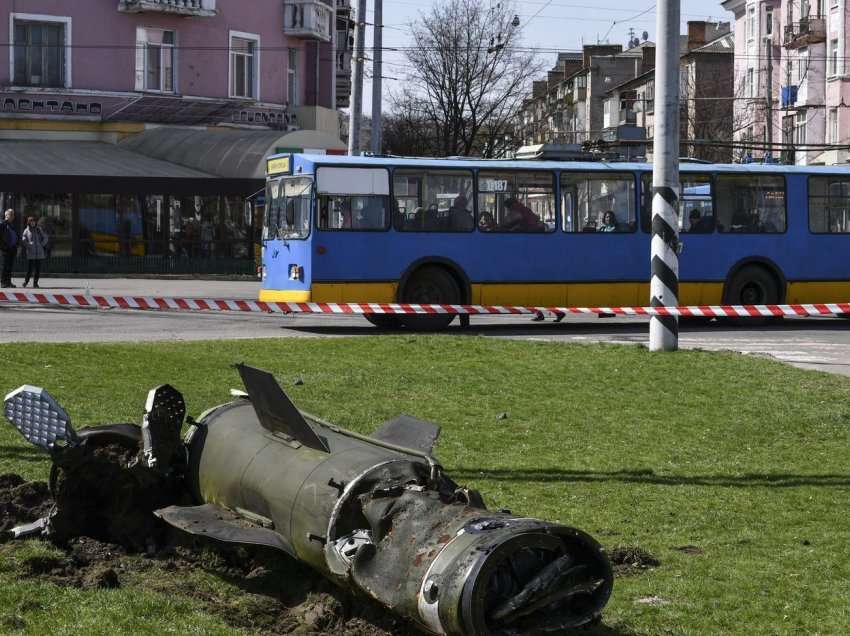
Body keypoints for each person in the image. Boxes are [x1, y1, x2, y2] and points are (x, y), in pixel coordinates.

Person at [21, 216, 48, 288]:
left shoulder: (39, 229)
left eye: (34, 222)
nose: (33, 223)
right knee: (30, 269)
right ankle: (26, 281)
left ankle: (35, 283)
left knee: (38, 269)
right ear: (29, 222)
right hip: (31, 253)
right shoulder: (26, 230)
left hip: (39, 253)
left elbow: (45, 237)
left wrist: (41, 244)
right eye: (31, 222)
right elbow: (23, 240)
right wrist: (29, 245)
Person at [0, 209, 18, 288]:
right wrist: (3, 246)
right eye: (11, 214)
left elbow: (15, 235)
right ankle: (3, 282)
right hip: (5, 249)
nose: (12, 216)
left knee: (10, 266)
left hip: (12, 249)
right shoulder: (2, 224)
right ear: (6, 216)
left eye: (13, 214)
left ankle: (8, 282)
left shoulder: (12, 225)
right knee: (4, 266)